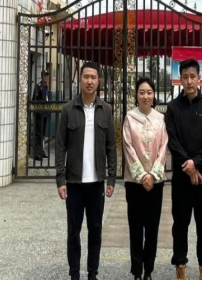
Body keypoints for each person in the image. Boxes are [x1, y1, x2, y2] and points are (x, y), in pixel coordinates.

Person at [56, 62, 117, 281]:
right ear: (80, 80)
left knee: (95, 230)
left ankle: (92, 273)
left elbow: (111, 146)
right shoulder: (68, 110)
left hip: (96, 183)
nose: (89, 81)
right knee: (73, 232)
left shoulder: (106, 110)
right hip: (74, 182)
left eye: (93, 77)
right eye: (86, 77)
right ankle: (74, 273)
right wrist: (60, 180)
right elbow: (60, 146)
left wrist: (111, 178)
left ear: (99, 81)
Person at [165, 59, 202, 281]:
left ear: (199, 79)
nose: (189, 81)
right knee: (180, 223)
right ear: (180, 79)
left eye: (192, 77)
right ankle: (180, 265)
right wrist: (188, 166)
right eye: (185, 77)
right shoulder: (172, 108)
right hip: (181, 177)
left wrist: (196, 163)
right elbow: (172, 140)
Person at [123, 78, 169, 281]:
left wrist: (153, 175)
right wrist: (142, 175)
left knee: (152, 227)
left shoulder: (160, 119)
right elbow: (128, 147)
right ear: (136, 95)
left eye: (149, 92)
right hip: (135, 183)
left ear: (154, 95)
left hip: (155, 182)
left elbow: (164, 147)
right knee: (135, 227)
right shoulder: (129, 118)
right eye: (142, 92)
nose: (145, 96)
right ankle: (136, 270)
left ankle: (148, 270)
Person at [32, 71, 50, 161]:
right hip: (39, 114)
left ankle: (41, 151)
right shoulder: (38, 87)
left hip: (45, 114)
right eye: (45, 76)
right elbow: (34, 100)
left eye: (47, 76)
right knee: (38, 133)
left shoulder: (46, 87)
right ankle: (37, 153)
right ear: (42, 77)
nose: (47, 78)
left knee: (42, 134)